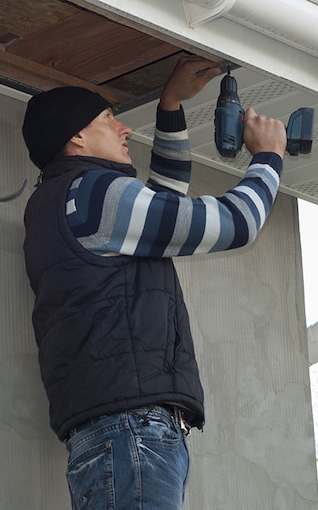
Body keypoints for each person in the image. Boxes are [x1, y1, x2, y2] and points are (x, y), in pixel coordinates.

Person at [21, 55, 288, 510]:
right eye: (109, 119)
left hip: (112, 429)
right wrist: (268, 157)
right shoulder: (95, 192)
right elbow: (234, 224)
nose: (125, 129)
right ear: (77, 136)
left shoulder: (61, 203)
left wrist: (171, 105)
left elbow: (161, 211)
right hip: (131, 428)